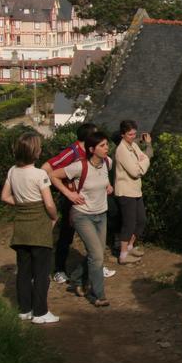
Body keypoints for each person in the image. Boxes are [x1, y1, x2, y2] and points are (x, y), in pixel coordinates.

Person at [43, 122, 115, 282]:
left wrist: (107, 184)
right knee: (66, 235)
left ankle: (97, 266)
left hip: (92, 203)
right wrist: (67, 191)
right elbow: (47, 168)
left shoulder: (96, 156)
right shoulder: (72, 152)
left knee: (97, 240)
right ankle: (59, 269)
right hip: (74, 203)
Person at [1, 132, 60, 324]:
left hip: (21, 228)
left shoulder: (12, 171)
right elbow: (49, 204)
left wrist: (21, 204)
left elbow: (5, 197)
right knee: (42, 272)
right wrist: (54, 217)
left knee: (24, 271)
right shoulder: (40, 174)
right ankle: (41, 312)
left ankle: (24, 309)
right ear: (34, 152)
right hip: (39, 228)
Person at [64, 131, 114, 307]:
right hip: (82, 214)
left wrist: (108, 186)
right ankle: (97, 295)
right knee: (98, 256)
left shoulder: (108, 162)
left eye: (107, 144)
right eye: (102, 145)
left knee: (96, 254)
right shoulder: (79, 166)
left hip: (101, 214)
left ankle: (76, 280)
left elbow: (103, 179)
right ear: (92, 149)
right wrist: (69, 194)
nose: (107, 148)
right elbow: (53, 175)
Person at [113, 119, 153, 265]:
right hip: (125, 191)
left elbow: (143, 160)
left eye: (134, 134)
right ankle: (123, 255)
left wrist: (143, 159)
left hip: (136, 190)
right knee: (129, 223)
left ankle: (129, 246)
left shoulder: (133, 145)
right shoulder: (121, 150)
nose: (133, 136)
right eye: (130, 134)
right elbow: (136, 171)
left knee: (141, 220)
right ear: (123, 134)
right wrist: (145, 160)